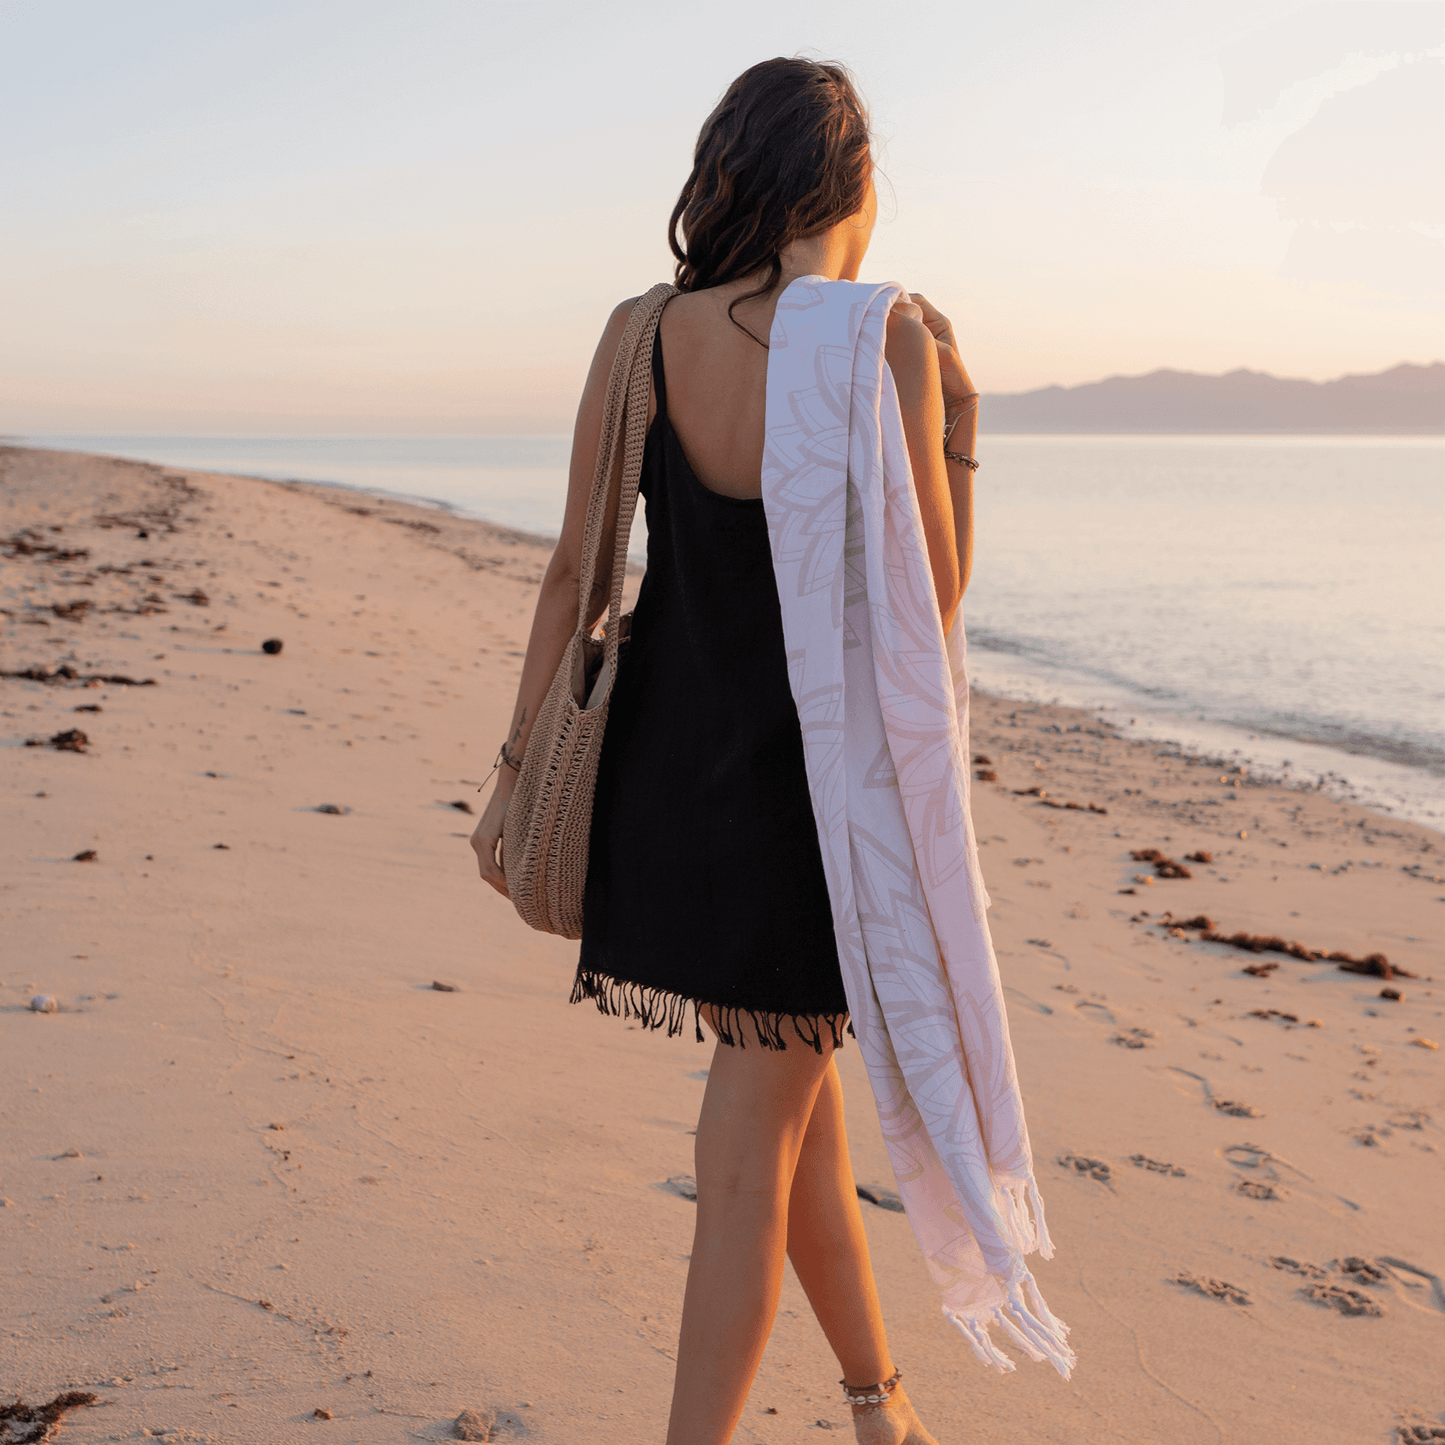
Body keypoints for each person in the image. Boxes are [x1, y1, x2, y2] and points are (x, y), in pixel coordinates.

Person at [472, 57, 979, 1445]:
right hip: (804, 812)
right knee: (754, 1133)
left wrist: (515, 774)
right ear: (851, 186)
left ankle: (882, 1407)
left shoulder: (643, 333)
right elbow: (926, 617)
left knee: (783, 1100)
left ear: (730, 173)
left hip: (666, 790)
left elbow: (577, 569)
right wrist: (961, 433)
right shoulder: (882, 343)